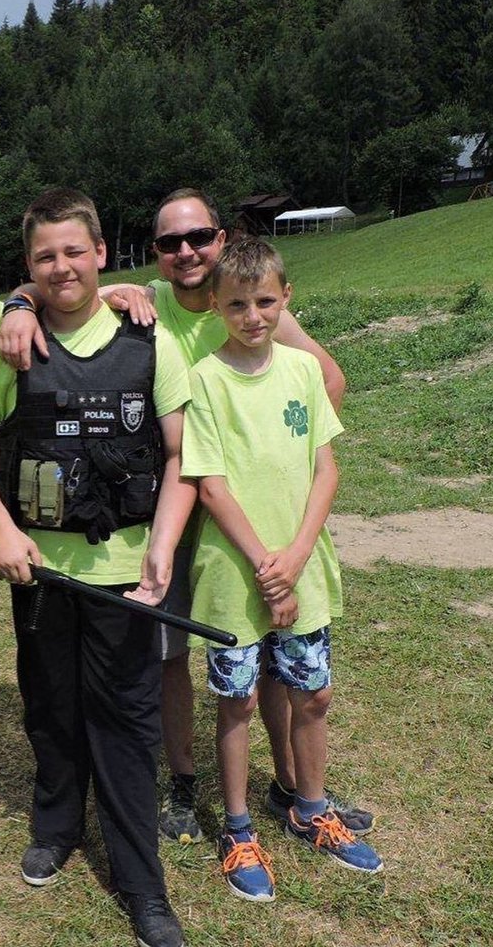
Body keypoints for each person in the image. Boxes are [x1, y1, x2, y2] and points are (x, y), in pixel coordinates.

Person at [0, 187, 371, 847]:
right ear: (157, 254)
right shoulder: (145, 306)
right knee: (169, 658)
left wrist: (269, 448)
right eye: (169, 242)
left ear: (222, 238)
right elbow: (61, 277)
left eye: (198, 236)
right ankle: (184, 782)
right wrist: (19, 302)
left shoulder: (254, 304)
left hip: (251, 520)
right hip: (176, 513)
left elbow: (327, 383)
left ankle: (291, 781)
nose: (185, 251)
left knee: (276, 657)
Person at [0, 189, 195, 947]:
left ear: (101, 252)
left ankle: (141, 879)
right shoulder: (12, 344)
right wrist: (1, 530)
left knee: (127, 726)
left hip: (128, 577)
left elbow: (180, 457)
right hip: (40, 575)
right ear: (27, 267)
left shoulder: (150, 338)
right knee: (50, 708)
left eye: (74, 251)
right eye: (43, 256)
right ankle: (56, 823)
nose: (61, 266)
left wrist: (161, 547)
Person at [181, 237, 383, 902]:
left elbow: (327, 468)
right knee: (236, 701)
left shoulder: (302, 371)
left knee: (314, 694)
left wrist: (294, 557)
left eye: (265, 301)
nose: (252, 315)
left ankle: (309, 805)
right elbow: (210, 484)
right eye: (237, 303)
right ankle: (238, 827)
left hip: (304, 565)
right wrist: (267, 567)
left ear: (286, 298)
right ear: (215, 305)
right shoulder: (205, 378)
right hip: (232, 576)